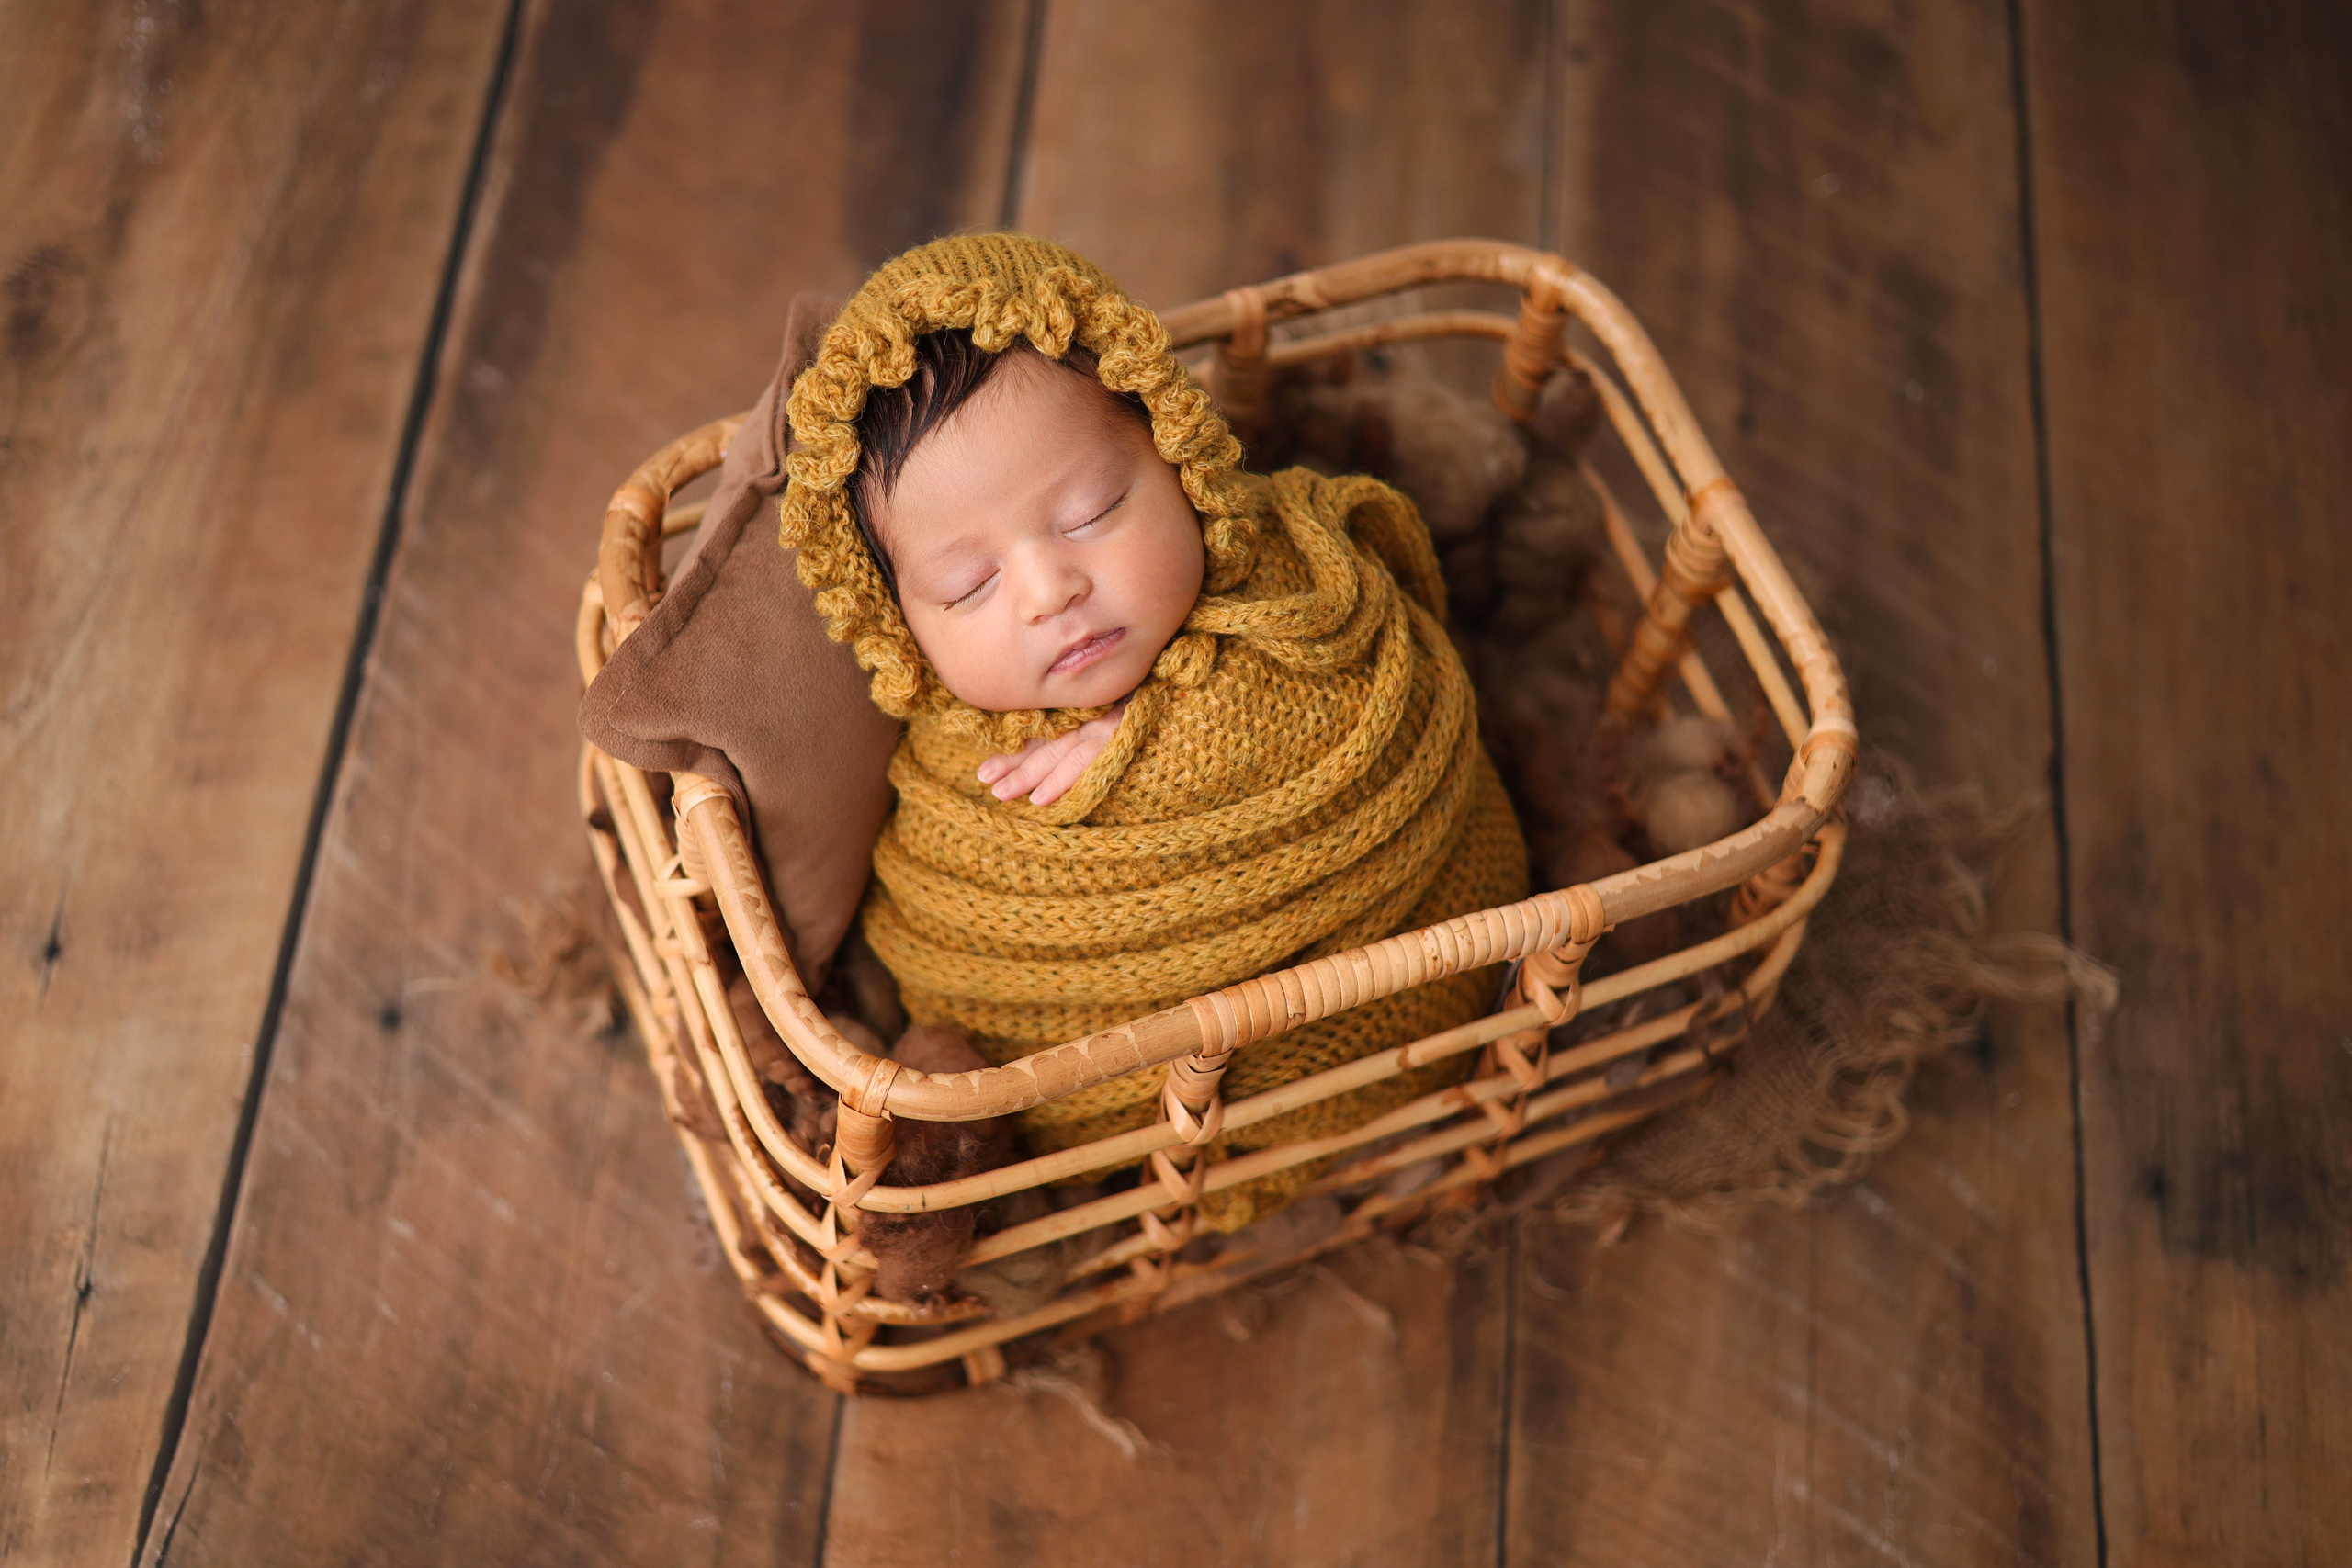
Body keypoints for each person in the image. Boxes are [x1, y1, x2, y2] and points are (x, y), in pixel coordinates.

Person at [779, 233, 1527, 1233]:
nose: (1051, 592)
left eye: (1092, 512)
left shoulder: (1294, 581)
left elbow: (1378, 688)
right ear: (897, 627)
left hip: (1423, 980)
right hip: (1165, 1101)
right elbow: (950, 957)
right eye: (969, 584)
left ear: (1179, 457)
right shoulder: (956, 784)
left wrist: (1162, 733)